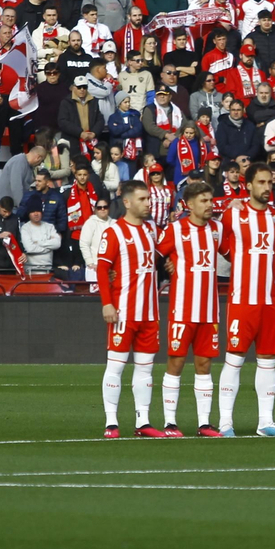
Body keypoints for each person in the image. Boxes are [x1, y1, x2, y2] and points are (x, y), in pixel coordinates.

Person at [216, 162, 275, 437]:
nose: (267, 187)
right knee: (234, 358)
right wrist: (238, 259)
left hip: (270, 299)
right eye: (261, 182)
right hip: (242, 299)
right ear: (248, 186)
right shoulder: (234, 213)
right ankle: (225, 423)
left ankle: (266, 422)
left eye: (270, 182)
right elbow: (218, 240)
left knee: (268, 359)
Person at [155, 181, 222, 437]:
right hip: (182, 309)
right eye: (203, 201)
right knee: (176, 362)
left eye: (210, 200)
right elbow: (154, 257)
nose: (209, 205)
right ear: (190, 205)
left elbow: (232, 252)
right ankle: (170, 423)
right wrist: (168, 265)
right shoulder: (175, 229)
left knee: (204, 364)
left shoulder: (217, 229)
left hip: (209, 310)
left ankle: (204, 423)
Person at [98, 180, 162, 438]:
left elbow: (164, 254)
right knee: (116, 366)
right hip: (123, 311)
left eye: (149, 198)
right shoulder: (114, 232)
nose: (148, 203)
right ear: (127, 202)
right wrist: (107, 302)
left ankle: (143, 422)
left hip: (149, 312)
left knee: (145, 368)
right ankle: (111, 422)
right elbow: (102, 268)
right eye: (142, 199)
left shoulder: (152, 230)